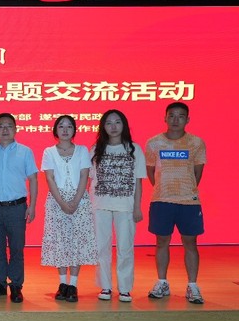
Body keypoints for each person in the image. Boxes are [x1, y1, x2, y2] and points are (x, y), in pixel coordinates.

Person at [145, 102, 206, 304]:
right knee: (161, 241)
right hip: (161, 200)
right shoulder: (154, 143)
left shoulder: (196, 143)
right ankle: (162, 282)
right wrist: (163, 189)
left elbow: (197, 173)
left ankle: (193, 286)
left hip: (189, 201)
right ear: (165, 118)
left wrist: (185, 190)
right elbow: (150, 171)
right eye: (171, 115)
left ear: (187, 119)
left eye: (180, 116)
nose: (175, 120)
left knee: (191, 242)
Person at [0, 113, 38, 303]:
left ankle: (16, 286)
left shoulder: (25, 152)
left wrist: (32, 206)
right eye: (1, 126)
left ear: (15, 129)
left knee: (16, 249)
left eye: (9, 126)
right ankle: (0, 284)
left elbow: (33, 180)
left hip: (17, 207)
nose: (5, 129)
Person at [90, 109, 146, 303]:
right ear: (103, 127)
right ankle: (105, 286)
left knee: (125, 248)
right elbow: (89, 179)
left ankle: (125, 288)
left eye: (117, 122)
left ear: (124, 125)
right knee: (101, 247)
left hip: (126, 207)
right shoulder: (96, 149)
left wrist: (137, 207)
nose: (113, 127)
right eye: (108, 123)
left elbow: (139, 181)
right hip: (100, 205)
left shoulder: (134, 149)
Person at [40, 115, 97, 303]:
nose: (65, 130)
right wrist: (62, 203)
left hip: (79, 200)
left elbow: (84, 176)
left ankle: (73, 284)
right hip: (56, 200)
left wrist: (75, 201)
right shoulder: (49, 152)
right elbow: (49, 178)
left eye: (69, 126)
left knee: (76, 241)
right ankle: (62, 283)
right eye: (61, 126)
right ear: (55, 130)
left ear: (74, 130)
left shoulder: (82, 150)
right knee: (60, 241)